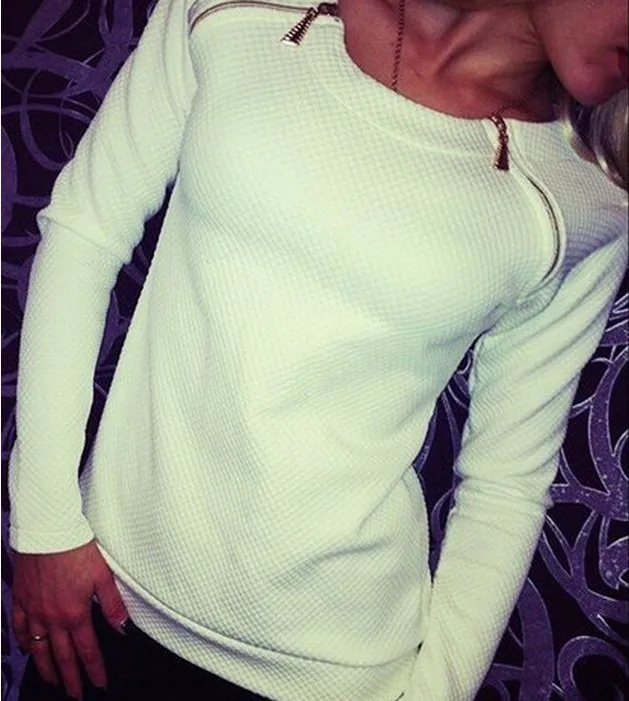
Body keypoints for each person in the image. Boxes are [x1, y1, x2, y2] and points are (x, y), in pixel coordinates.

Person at [8, 0, 628, 699]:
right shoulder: (239, 11)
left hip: (336, 671)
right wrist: (45, 523)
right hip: (102, 610)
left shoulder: (584, 203)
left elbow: (506, 479)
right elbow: (86, 230)